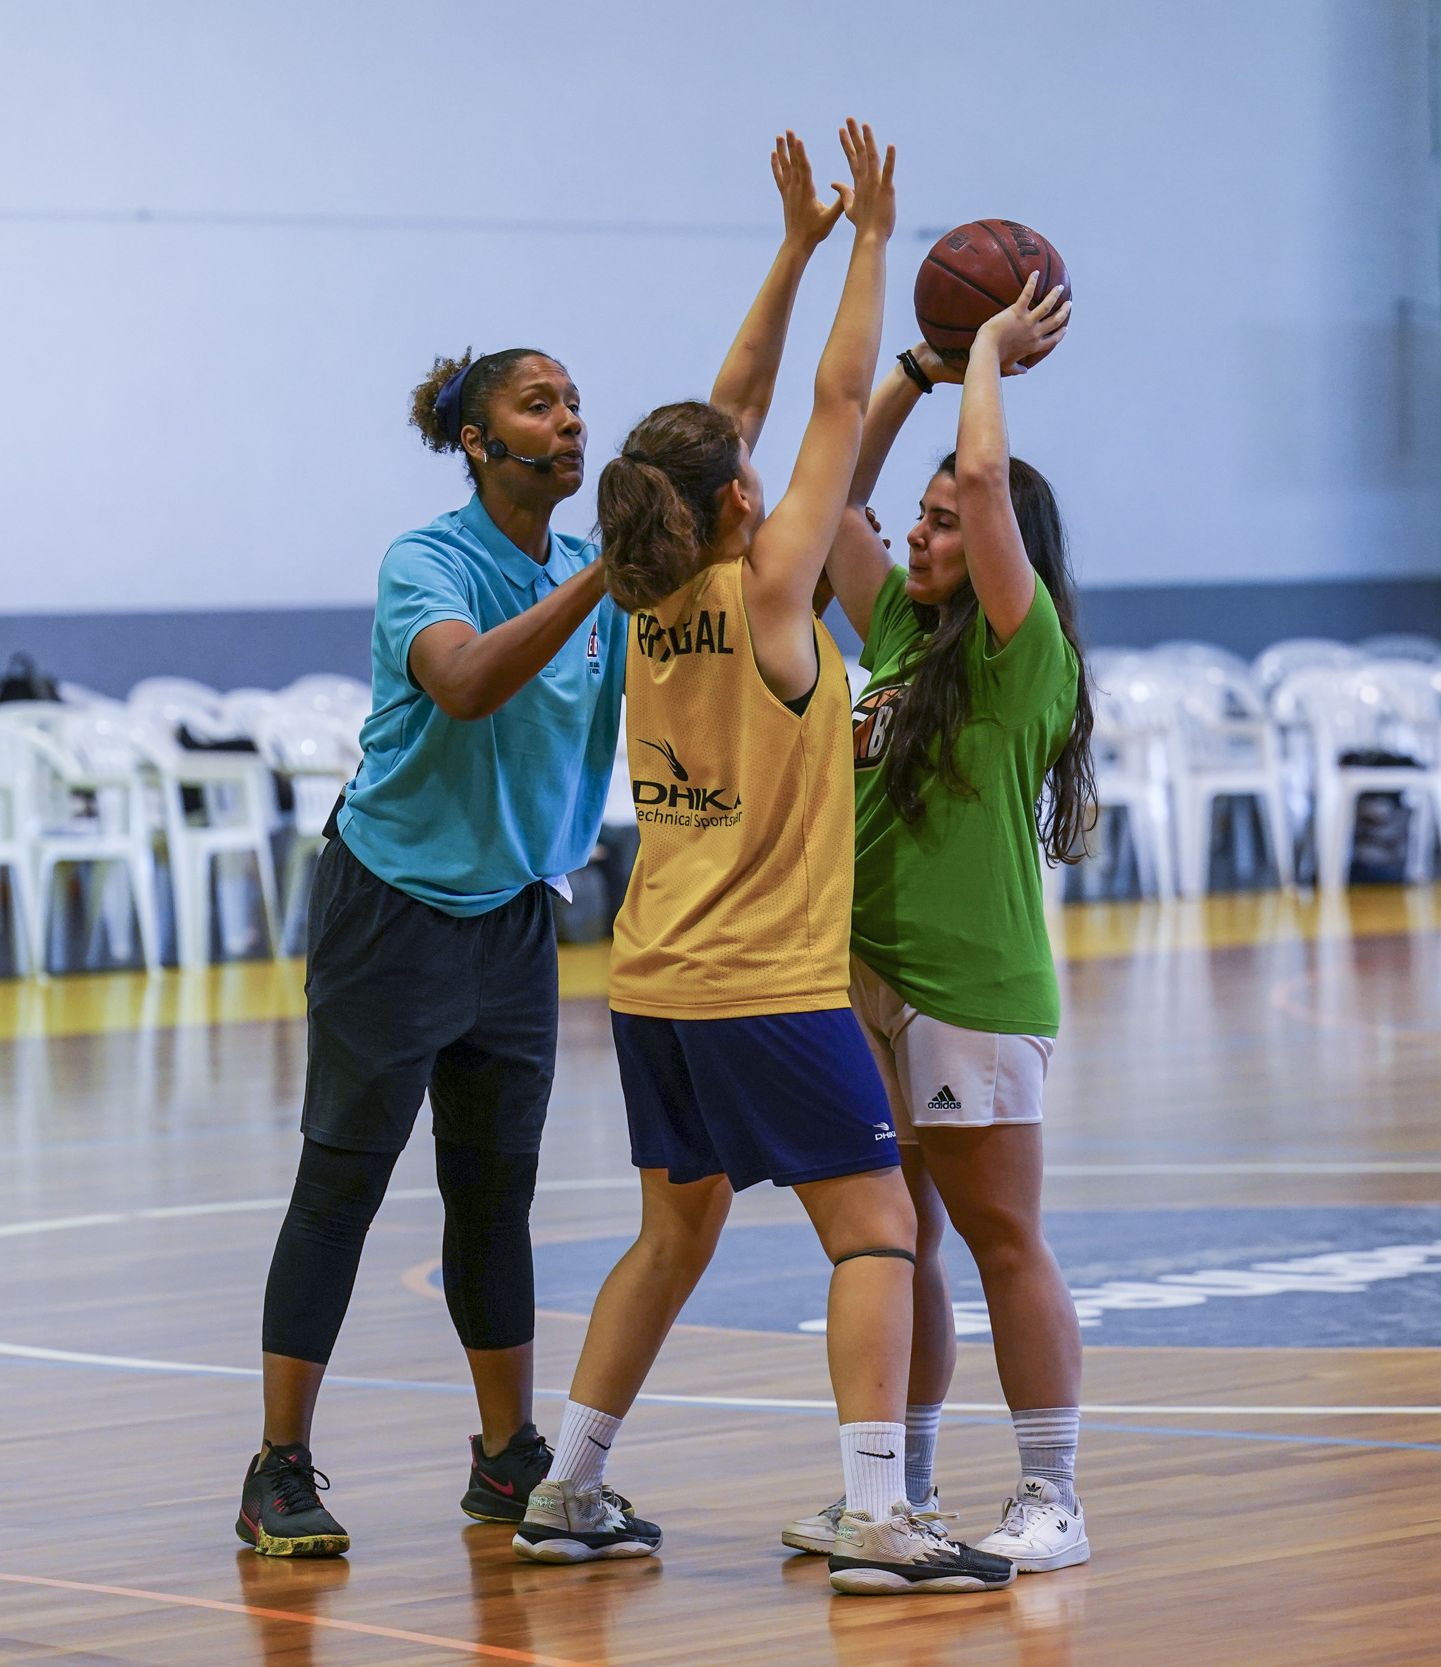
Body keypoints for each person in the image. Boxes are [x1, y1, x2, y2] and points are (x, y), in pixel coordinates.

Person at [510, 120, 1014, 1598]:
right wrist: (871, 243)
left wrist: (794, 246)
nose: (765, 466)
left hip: (653, 977)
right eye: (754, 470)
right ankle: (876, 1512)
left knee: (672, 1233)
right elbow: (836, 396)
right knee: (872, 1232)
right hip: (762, 982)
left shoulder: (647, 586)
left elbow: (725, 408)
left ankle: (571, 1484)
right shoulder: (771, 591)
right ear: (742, 500)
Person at [237, 341, 618, 1557]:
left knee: (495, 1191)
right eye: (538, 403)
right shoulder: (431, 561)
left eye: (573, 404)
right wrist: (607, 576)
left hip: (510, 915)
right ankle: (276, 1466)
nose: (568, 422)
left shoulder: (586, 574)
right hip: (389, 904)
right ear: (478, 438)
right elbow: (462, 683)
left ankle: (507, 1460)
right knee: (342, 1182)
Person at [778, 274, 1092, 1574]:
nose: (919, 533)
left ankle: (1052, 1491)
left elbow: (980, 462)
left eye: (948, 523)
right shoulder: (902, 626)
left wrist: (987, 366)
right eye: (922, 521)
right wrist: (915, 361)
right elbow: (841, 496)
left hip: (973, 984)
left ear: (1003, 542)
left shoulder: (1025, 644)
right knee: (894, 1236)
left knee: (1005, 1235)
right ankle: (894, 1493)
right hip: (868, 983)